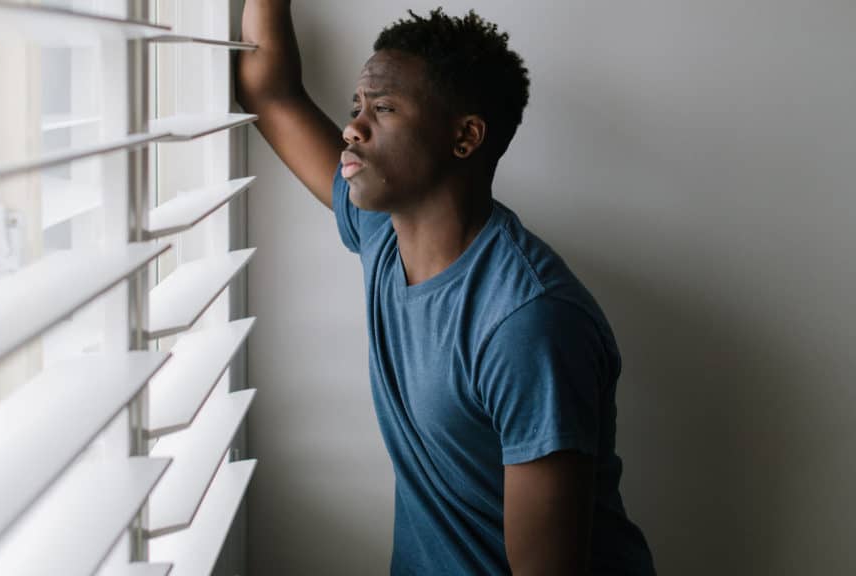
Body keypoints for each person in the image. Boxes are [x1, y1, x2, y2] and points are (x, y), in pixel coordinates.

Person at [236, 2, 656, 574]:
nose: (352, 128)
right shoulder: (381, 233)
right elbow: (270, 95)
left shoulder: (528, 324)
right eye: (356, 106)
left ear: (465, 137)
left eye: (383, 108)